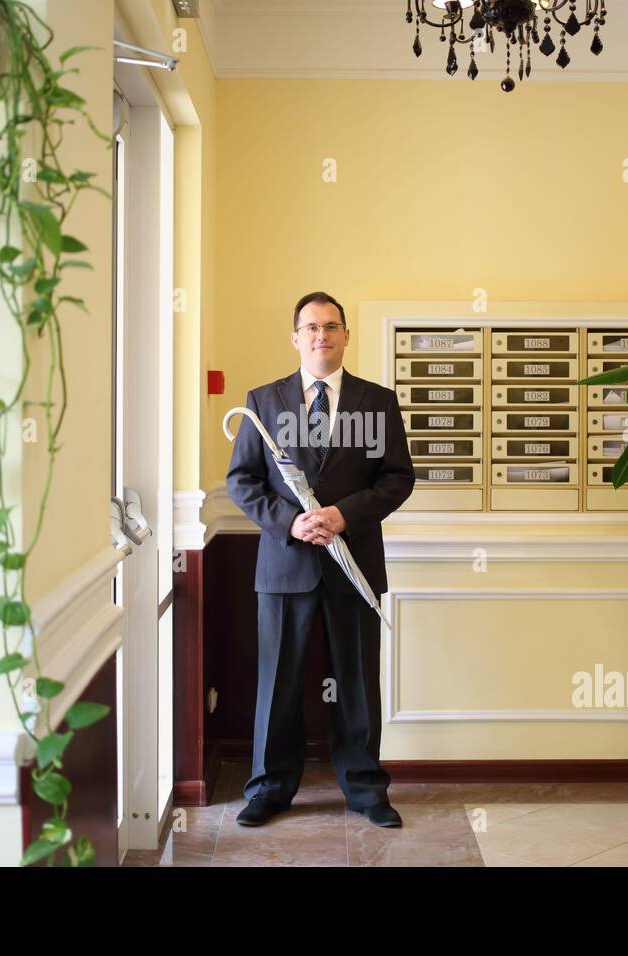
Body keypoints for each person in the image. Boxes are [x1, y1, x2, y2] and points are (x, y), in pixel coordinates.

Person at [226, 291, 415, 827]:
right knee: (278, 682)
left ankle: (364, 789)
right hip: (284, 566)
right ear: (295, 337)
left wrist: (341, 515)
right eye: (310, 327)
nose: (321, 335)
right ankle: (268, 789)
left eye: (331, 326)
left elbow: (398, 478)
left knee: (354, 681)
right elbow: (242, 480)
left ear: (346, 335)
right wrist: (291, 520)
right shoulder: (263, 400)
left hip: (353, 565)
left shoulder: (377, 402)